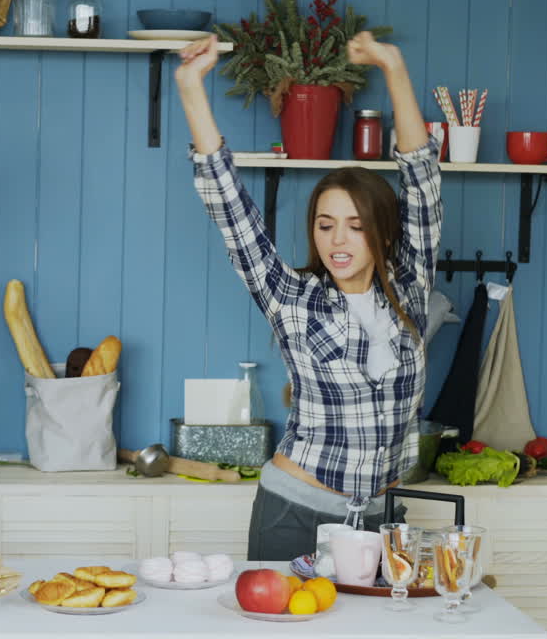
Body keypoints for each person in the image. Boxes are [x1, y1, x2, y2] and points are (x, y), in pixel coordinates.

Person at [174, 32, 442, 560]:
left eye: (355, 225)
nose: (337, 240)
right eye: (325, 225)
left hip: (383, 521)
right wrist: (189, 85)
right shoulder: (290, 297)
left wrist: (393, 67)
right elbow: (229, 205)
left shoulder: (410, 287)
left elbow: (422, 177)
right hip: (295, 511)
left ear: (383, 233)